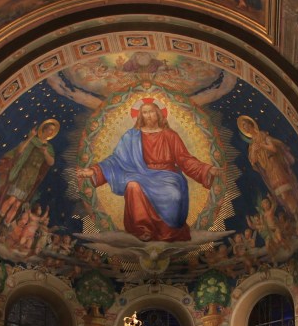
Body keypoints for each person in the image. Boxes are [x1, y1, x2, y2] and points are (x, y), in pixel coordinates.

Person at [76, 100, 221, 242]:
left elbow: (185, 159)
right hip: (139, 174)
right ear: (140, 116)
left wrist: (207, 169)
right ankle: (142, 229)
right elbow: (116, 160)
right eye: (145, 112)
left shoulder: (170, 135)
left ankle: (169, 231)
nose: (148, 115)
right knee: (132, 186)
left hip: (168, 175)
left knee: (174, 194)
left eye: (151, 112)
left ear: (158, 114)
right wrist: (94, 171)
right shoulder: (131, 136)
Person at [0, 119, 59, 224]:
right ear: (44, 129)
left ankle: (6, 223)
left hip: (32, 176)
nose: (51, 132)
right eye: (50, 129)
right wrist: (30, 137)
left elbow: (51, 162)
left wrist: (45, 152)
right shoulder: (34, 140)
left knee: (17, 204)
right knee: (11, 199)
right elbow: (20, 150)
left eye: (53, 130)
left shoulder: (49, 147)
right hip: (23, 172)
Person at [237, 115, 298, 217]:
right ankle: (296, 215)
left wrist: (262, 145)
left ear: (251, 124)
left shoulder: (262, 135)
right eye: (243, 127)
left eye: (246, 125)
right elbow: (253, 161)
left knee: (285, 191)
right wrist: (254, 151)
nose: (245, 127)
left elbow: (274, 148)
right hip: (268, 170)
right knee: (282, 194)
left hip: (274, 163)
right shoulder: (251, 146)